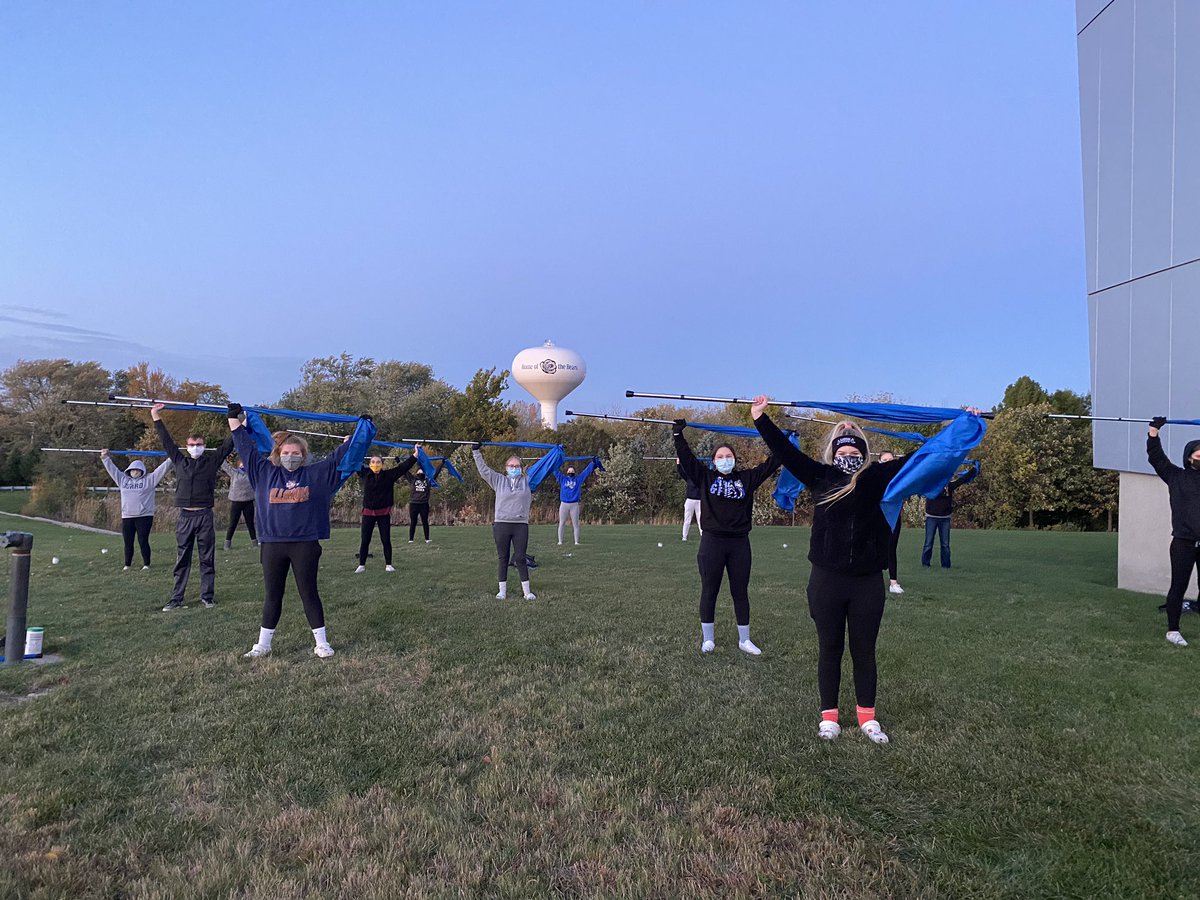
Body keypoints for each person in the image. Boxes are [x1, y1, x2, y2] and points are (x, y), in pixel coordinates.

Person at [754, 397, 985, 743]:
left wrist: (961, 425)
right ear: (833, 452)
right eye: (842, 450)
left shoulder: (878, 477)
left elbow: (924, 457)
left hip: (867, 582)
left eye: (854, 450)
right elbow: (785, 452)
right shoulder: (819, 475)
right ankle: (829, 717)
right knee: (830, 649)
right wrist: (760, 418)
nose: (848, 455)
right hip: (826, 580)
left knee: (864, 651)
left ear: (864, 452)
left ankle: (867, 718)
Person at [228, 404, 360, 659]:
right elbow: (244, 446)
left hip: (305, 544)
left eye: (296, 453)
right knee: (272, 595)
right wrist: (234, 418)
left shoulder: (315, 474)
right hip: (272, 544)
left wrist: (354, 437)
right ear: (279, 454)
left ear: (303, 455)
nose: (291, 456)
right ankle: (263, 645)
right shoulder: (263, 472)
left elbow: (337, 458)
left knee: (309, 593)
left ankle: (322, 643)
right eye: (286, 452)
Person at [674, 420, 780, 656]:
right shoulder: (705, 477)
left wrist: (783, 439)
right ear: (713, 461)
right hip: (712, 542)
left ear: (734, 459)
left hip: (739, 543)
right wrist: (678, 435)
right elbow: (688, 460)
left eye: (728, 456)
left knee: (740, 591)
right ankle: (708, 639)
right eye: (720, 456)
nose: (725, 459)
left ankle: (745, 640)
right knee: (709, 590)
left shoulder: (747, 479)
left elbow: (773, 462)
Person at [151, 403, 234, 611]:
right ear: (186, 446)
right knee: (182, 559)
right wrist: (155, 416)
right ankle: (176, 598)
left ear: (204, 445)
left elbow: (227, 445)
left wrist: (240, 424)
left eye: (198, 444)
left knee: (207, 558)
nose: (195, 447)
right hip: (185, 517)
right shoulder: (179, 461)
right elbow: (166, 441)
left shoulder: (212, 462)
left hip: (205, 515)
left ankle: (207, 597)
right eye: (191, 444)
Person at [1146, 416, 1200, 647]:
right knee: (1179, 586)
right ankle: (1173, 631)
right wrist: (1153, 432)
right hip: (1183, 542)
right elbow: (1156, 458)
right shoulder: (1176, 476)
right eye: (1199, 454)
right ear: (1189, 457)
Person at [473, 445, 537, 600]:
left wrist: (556, 454)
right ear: (506, 467)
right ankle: (502, 591)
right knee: (503, 558)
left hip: (520, 525)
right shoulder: (498, 480)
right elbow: (483, 470)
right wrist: (476, 451)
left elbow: (545, 468)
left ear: (521, 468)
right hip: (501, 524)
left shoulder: (528, 481)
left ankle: (527, 592)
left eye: (517, 466)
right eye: (511, 466)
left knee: (520, 558)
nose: (514, 468)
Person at [100, 450, 173, 570]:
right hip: (127, 516)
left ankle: (146, 564)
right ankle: (127, 564)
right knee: (128, 542)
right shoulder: (122, 480)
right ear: (129, 471)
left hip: (144, 516)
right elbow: (112, 470)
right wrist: (105, 458)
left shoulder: (150, 480)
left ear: (142, 471)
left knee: (143, 540)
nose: (135, 472)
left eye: (138, 470)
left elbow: (162, 469)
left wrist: (171, 457)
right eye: (133, 470)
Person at [355, 451, 420, 573]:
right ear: (369, 464)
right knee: (365, 540)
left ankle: (388, 564)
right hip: (368, 514)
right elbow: (353, 459)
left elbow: (403, 467)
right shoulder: (364, 473)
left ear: (382, 464)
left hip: (383, 514)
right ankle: (361, 565)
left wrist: (415, 455)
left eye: (378, 462)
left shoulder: (389, 475)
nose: (375, 464)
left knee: (385, 540)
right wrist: (348, 444)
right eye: (373, 462)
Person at [921, 460, 979, 568]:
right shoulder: (931, 487)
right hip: (931, 517)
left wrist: (974, 469)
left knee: (945, 544)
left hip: (945, 518)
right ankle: (925, 564)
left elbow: (962, 480)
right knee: (928, 543)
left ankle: (946, 565)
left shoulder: (950, 486)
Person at [553, 458, 600, 545]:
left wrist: (593, 463)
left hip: (574, 504)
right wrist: (553, 460)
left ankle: (576, 542)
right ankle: (560, 541)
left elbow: (586, 472)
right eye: (569, 471)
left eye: (572, 471)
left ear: (574, 472)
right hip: (564, 504)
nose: (571, 472)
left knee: (576, 524)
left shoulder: (578, 480)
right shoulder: (563, 479)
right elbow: (555, 470)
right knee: (561, 523)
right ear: (567, 472)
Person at [878, 451, 904, 594]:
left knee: (891, 548)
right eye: (885, 460)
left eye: (890, 460)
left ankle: (893, 582)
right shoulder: (875, 476)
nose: (888, 462)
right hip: (877, 516)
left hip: (893, 517)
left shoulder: (899, 478)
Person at [406, 456, 446, 544]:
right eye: (419, 471)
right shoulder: (412, 480)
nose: (420, 472)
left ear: (424, 472)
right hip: (414, 504)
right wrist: (398, 461)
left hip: (424, 504)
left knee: (425, 521)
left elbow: (436, 473)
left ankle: (427, 539)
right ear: (416, 473)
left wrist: (442, 463)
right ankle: (411, 539)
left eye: (422, 471)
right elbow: (404, 471)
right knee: (413, 522)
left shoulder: (428, 481)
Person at [221, 457, 258, 549]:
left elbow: (263, 464)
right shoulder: (234, 473)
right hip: (236, 502)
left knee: (250, 524)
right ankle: (227, 544)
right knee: (232, 524)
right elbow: (224, 465)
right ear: (238, 464)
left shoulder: (252, 473)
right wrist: (221, 453)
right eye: (242, 463)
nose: (243, 465)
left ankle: (255, 543)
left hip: (248, 502)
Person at [677, 457, 703, 541]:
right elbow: (681, 472)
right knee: (687, 519)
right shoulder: (689, 477)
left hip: (699, 501)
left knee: (700, 520)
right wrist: (678, 463)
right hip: (690, 500)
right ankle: (684, 536)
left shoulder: (701, 478)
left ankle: (703, 536)